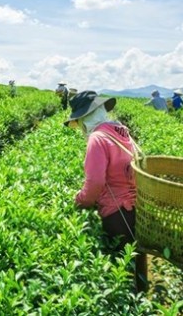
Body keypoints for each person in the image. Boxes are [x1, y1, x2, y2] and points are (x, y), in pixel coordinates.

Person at [64, 90, 148, 292]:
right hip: (138, 208)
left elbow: (95, 182)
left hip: (116, 214)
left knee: (121, 274)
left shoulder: (97, 138)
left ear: (85, 118)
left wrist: (80, 200)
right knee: (138, 260)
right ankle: (145, 299)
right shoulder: (122, 131)